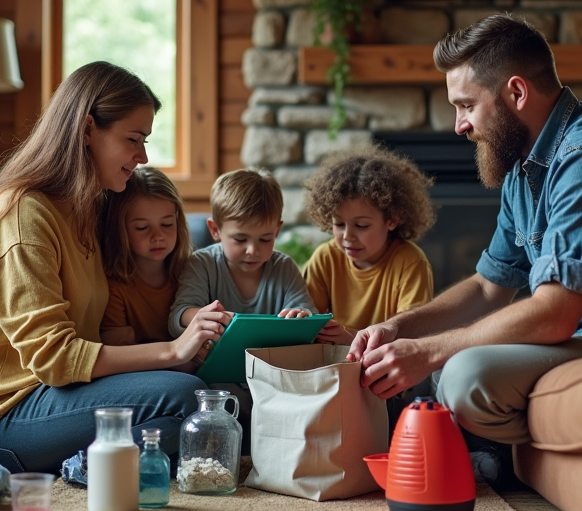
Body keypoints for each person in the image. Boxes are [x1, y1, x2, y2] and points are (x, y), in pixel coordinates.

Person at [347, 15, 582, 483]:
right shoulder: (524, 168)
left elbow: (554, 313)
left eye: (466, 105)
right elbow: (489, 286)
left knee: (464, 374)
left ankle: (492, 460)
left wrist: (429, 353)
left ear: (516, 92)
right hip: (579, 336)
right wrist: (395, 327)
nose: (458, 126)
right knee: (444, 365)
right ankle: (484, 457)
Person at [0, 61, 228, 474]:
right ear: (88, 129)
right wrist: (171, 350)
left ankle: (90, 465)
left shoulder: (86, 210)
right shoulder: (21, 215)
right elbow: (54, 358)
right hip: (2, 418)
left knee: (203, 406)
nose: (142, 156)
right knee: (184, 398)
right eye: (133, 139)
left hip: (59, 395)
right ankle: (82, 467)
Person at [302, 142, 436, 347]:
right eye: (338, 224)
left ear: (392, 220)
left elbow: (412, 337)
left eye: (361, 225)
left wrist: (353, 339)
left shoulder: (410, 262)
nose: (347, 236)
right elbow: (309, 324)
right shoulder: (325, 258)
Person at [168, 168, 316, 338]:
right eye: (240, 239)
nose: (253, 251)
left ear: (277, 230)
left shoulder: (284, 268)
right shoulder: (202, 264)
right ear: (215, 230)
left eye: (265, 239)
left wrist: (300, 315)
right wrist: (207, 317)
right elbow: (179, 315)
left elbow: (307, 314)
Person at [99, 166, 217, 373]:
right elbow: (120, 354)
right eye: (142, 228)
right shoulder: (115, 286)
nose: (157, 236)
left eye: (167, 224)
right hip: (148, 376)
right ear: (120, 229)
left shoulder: (192, 272)